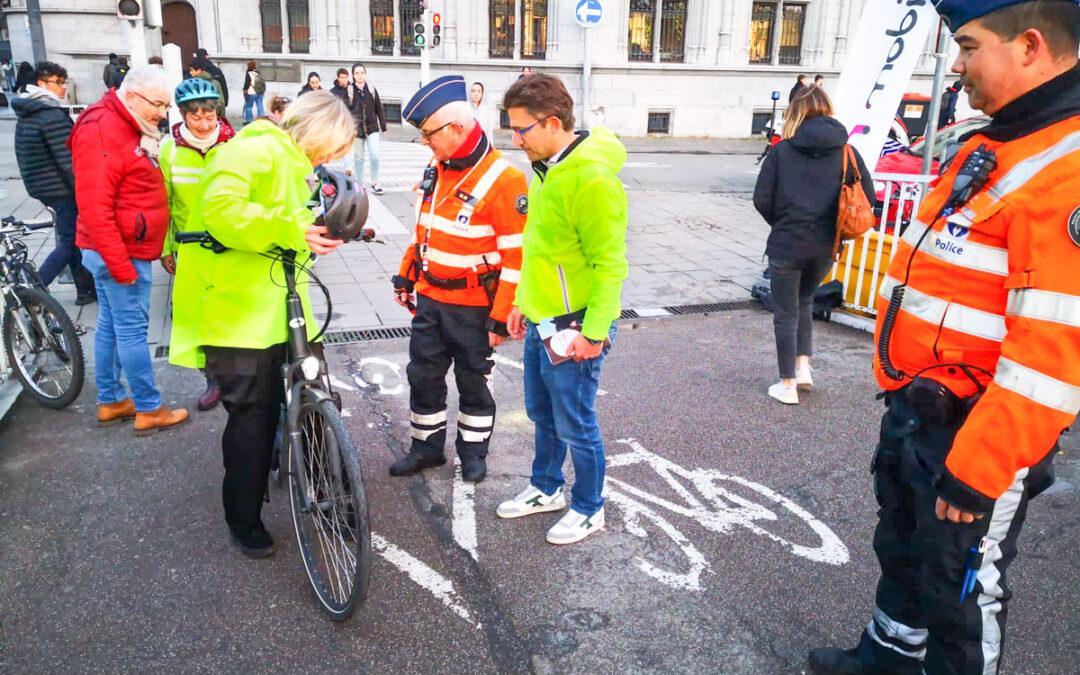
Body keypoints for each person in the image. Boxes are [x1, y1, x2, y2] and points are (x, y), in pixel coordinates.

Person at [808, 2, 1080, 674]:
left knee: (961, 588)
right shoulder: (997, 141)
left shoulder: (1064, 169)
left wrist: (977, 472)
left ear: (1030, 47)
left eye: (967, 45)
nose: (955, 66)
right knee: (904, 548)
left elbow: (1051, 362)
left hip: (976, 430)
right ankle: (889, 657)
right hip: (919, 410)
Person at [172, 91, 357, 558]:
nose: (334, 157)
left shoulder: (298, 163)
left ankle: (329, 495)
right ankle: (244, 517)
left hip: (284, 306)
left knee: (314, 397)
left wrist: (317, 234)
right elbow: (221, 211)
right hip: (237, 313)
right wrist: (292, 228)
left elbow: (296, 227)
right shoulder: (251, 149)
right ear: (317, 132)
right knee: (251, 420)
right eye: (334, 146)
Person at [496, 74, 628, 545]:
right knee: (542, 412)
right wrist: (521, 303)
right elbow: (540, 249)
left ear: (553, 123)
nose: (515, 139)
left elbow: (610, 265)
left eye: (522, 129)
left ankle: (590, 507)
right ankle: (546, 487)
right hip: (541, 318)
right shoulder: (546, 166)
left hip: (575, 326)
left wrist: (594, 335)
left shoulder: (591, 180)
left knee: (576, 421)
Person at [389, 75, 527, 483]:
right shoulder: (437, 167)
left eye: (429, 135)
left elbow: (517, 258)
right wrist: (406, 274)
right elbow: (424, 229)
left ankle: (473, 454)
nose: (425, 143)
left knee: (473, 383)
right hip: (431, 301)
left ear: (456, 129)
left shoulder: (506, 180)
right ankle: (426, 449)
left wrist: (501, 318)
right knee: (423, 377)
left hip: (473, 308)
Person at [70, 65, 189, 435]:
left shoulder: (122, 122)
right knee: (132, 330)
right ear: (133, 96)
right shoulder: (103, 128)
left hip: (118, 247)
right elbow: (94, 207)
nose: (163, 113)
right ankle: (149, 408)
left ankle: (111, 400)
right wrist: (120, 264)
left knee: (110, 324)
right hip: (118, 251)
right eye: (159, 104)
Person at [753, 86, 874, 405]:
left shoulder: (782, 151)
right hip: (825, 246)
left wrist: (783, 222)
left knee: (785, 313)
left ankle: (787, 383)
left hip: (786, 243)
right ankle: (803, 368)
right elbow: (868, 198)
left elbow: (761, 198)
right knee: (805, 302)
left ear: (796, 112)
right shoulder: (847, 151)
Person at [158, 78, 236, 412]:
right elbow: (162, 201)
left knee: (233, 311)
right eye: (196, 118)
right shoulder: (169, 150)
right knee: (198, 316)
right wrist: (165, 247)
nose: (204, 125)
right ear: (182, 116)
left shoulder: (233, 145)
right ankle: (213, 379)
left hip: (231, 244)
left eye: (210, 117)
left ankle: (239, 373)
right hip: (189, 246)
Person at [12, 61, 96, 304]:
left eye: (64, 82)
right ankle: (35, 288)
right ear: (41, 84)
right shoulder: (49, 114)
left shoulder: (30, 111)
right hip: (60, 188)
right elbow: (68, 160)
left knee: (72, 236)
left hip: (43, 186)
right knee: (71, 241)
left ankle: (85, 291)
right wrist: (84, 190)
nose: (63, 88)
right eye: (57, 83)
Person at [347, 63, 387, 195]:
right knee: (358, 158)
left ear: (365, 74)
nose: (359, 75)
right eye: (357, 73)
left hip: (372, 128)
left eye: (362, 72)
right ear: (353, 75)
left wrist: (383, 124)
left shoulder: (371, 89)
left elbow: (379, 108)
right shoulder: (350, 91)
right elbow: (346, 111)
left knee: (375, 155)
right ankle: (360, 183)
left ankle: (375, 181)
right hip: (357, 130)